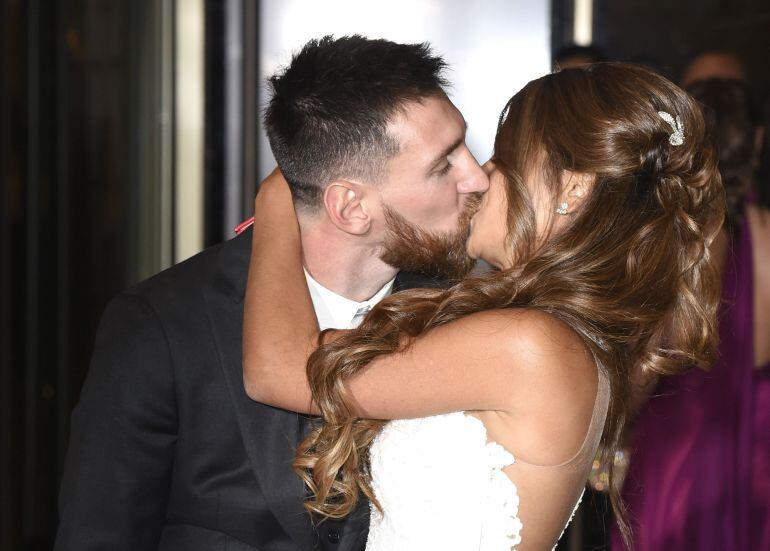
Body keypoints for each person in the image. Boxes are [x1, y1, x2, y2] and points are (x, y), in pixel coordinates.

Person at [242, 62, 725, 550]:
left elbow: (280, 370)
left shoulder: (532, 345)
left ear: (571, 188)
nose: (478, 176)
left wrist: (281, 197)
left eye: (503, 157)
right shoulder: (550, 336)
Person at [54, 35, 488, 551]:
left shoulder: (471, 315)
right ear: (350, 207)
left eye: (465, 146)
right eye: (445, 165)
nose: (478, 177)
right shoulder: (162, 325)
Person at [612, 78, 770, 550]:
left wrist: (616, 424)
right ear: (759, 141)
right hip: (758, 449)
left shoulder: (688, 240)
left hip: (682, 444)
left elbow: (664, 351)